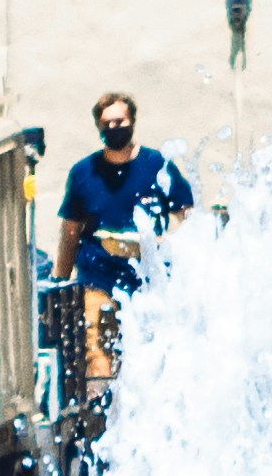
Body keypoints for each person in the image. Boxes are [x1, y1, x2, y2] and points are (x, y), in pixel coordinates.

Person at [54, 90, 194, 420]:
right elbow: (71, 230)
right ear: (99, 127)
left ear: (132, 122)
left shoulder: (156, 166)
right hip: (99, 277)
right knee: (98, 345)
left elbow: (187, 212)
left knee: (148, 349)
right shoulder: (84, 173)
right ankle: (101, 413)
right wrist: (61, 278)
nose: (114, 127)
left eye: (120, 121)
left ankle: (153, 409)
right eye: (107, 123)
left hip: (148, 280)